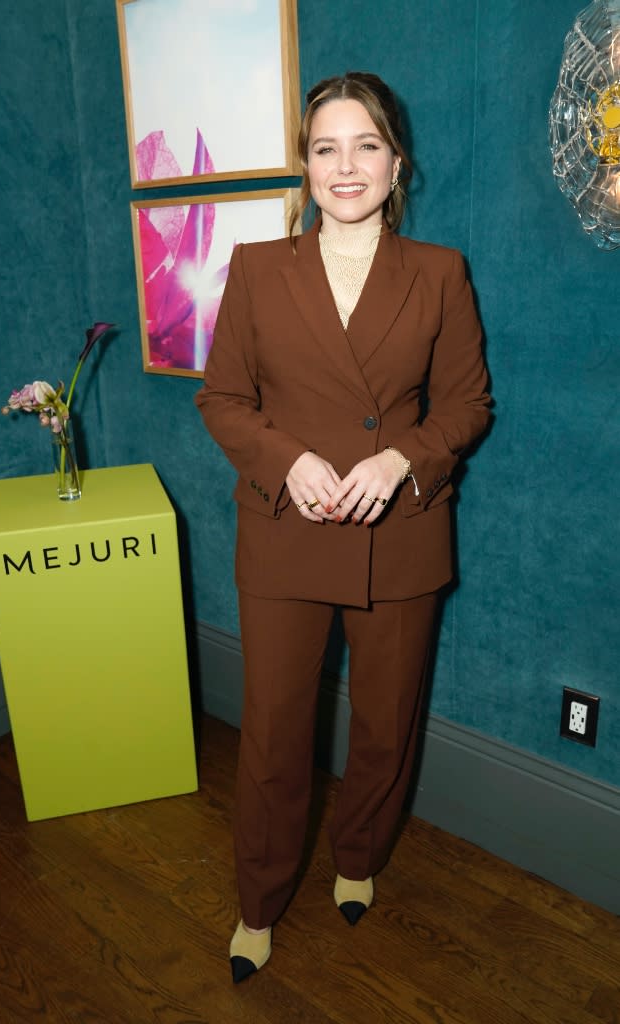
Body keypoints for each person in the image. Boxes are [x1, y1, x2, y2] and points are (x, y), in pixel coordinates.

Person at [194, 71, 491, 983]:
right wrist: (289, 460)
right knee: (276, 735)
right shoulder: (254, 267)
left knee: (381, 726)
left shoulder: (440, 271)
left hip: (397, 533)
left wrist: (400, 459)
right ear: (305, 166)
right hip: (286, 531)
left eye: (365, 145)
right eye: (325, 147)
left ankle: (356, 857)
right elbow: (223, 400)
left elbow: (467, 405)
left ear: (396, 164)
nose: (345, 164)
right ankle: (258, 901)